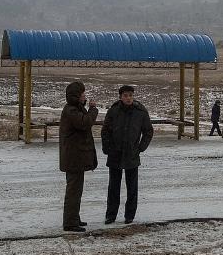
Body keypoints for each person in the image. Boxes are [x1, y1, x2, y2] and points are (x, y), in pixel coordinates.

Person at [101, 85, 154, 224]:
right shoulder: (113, 111)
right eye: (125, 95)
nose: (128, 98)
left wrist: (140, 148)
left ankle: (129, 215)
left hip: (132, 154)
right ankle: (110, 215)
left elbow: (148, 131)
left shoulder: (140, 112)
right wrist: (107, 148)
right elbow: (105, 130)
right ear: (120, 97)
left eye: (130, 95)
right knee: (113, 187)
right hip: (115, 154)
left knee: (132, 188)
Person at [59, 81, 99, 233]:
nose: (85, 96)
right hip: (73, 158)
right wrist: (93, 109)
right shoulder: (71, 110)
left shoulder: (74, 108)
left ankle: (74, 218)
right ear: (76, 96)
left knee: (76, 190)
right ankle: (70, 222)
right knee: (73, 191)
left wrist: (86, 107)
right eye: (82, 94)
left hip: (75, 157)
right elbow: (85, 122)